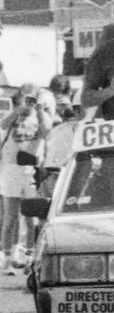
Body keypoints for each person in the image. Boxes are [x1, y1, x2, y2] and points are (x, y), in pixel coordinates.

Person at [0, 84, 52, 274]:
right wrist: (19, 111)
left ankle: (29, 258)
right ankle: (7, 258)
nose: (30, 102)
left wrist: (38, 112)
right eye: (27, 98)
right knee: (10, 217)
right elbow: (3, 124)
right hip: (11, 169)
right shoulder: (15, 115)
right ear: (21, 98)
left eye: (33, 98)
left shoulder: (41, 116)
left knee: (31, 219)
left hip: (31, 170)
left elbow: (47, 133)